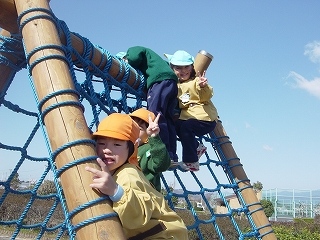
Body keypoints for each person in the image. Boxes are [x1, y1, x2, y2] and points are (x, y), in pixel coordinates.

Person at [85, 113, 188, 239]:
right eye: (101, 143)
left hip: (164, 235)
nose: (107, 150)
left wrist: (115, 191)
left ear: (131, 149)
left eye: (117, 144)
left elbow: (138, 214)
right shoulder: (114, 171)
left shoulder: (128, 175)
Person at [120, 46, 179, 162]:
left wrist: (129, 60)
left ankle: (165, 152)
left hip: (159, 82)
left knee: (155, 116)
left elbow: (135, 55)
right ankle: (172, 155)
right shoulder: (158, 63)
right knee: (168, 118)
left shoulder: (135, 50)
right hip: (172, 83)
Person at [165, 50, 218, 171]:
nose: (183, 71)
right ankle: (197, 147)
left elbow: (206, 95)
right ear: (172, 68)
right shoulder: (175, 85)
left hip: (205, 119)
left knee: (186, 127)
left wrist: (203, 86)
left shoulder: (196, 81)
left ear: (192, 67)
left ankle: (191, 161)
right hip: (188, 118)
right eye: (178, 68)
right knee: (175, 125)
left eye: (186, 67)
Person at [129, 108, 171, 192]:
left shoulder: (148, 149)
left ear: (148, 135)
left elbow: (161, 165)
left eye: (139, 129)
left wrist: (154, 137)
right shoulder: (123, 147)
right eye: (132, 126)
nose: (133, 131)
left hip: (147, 197)